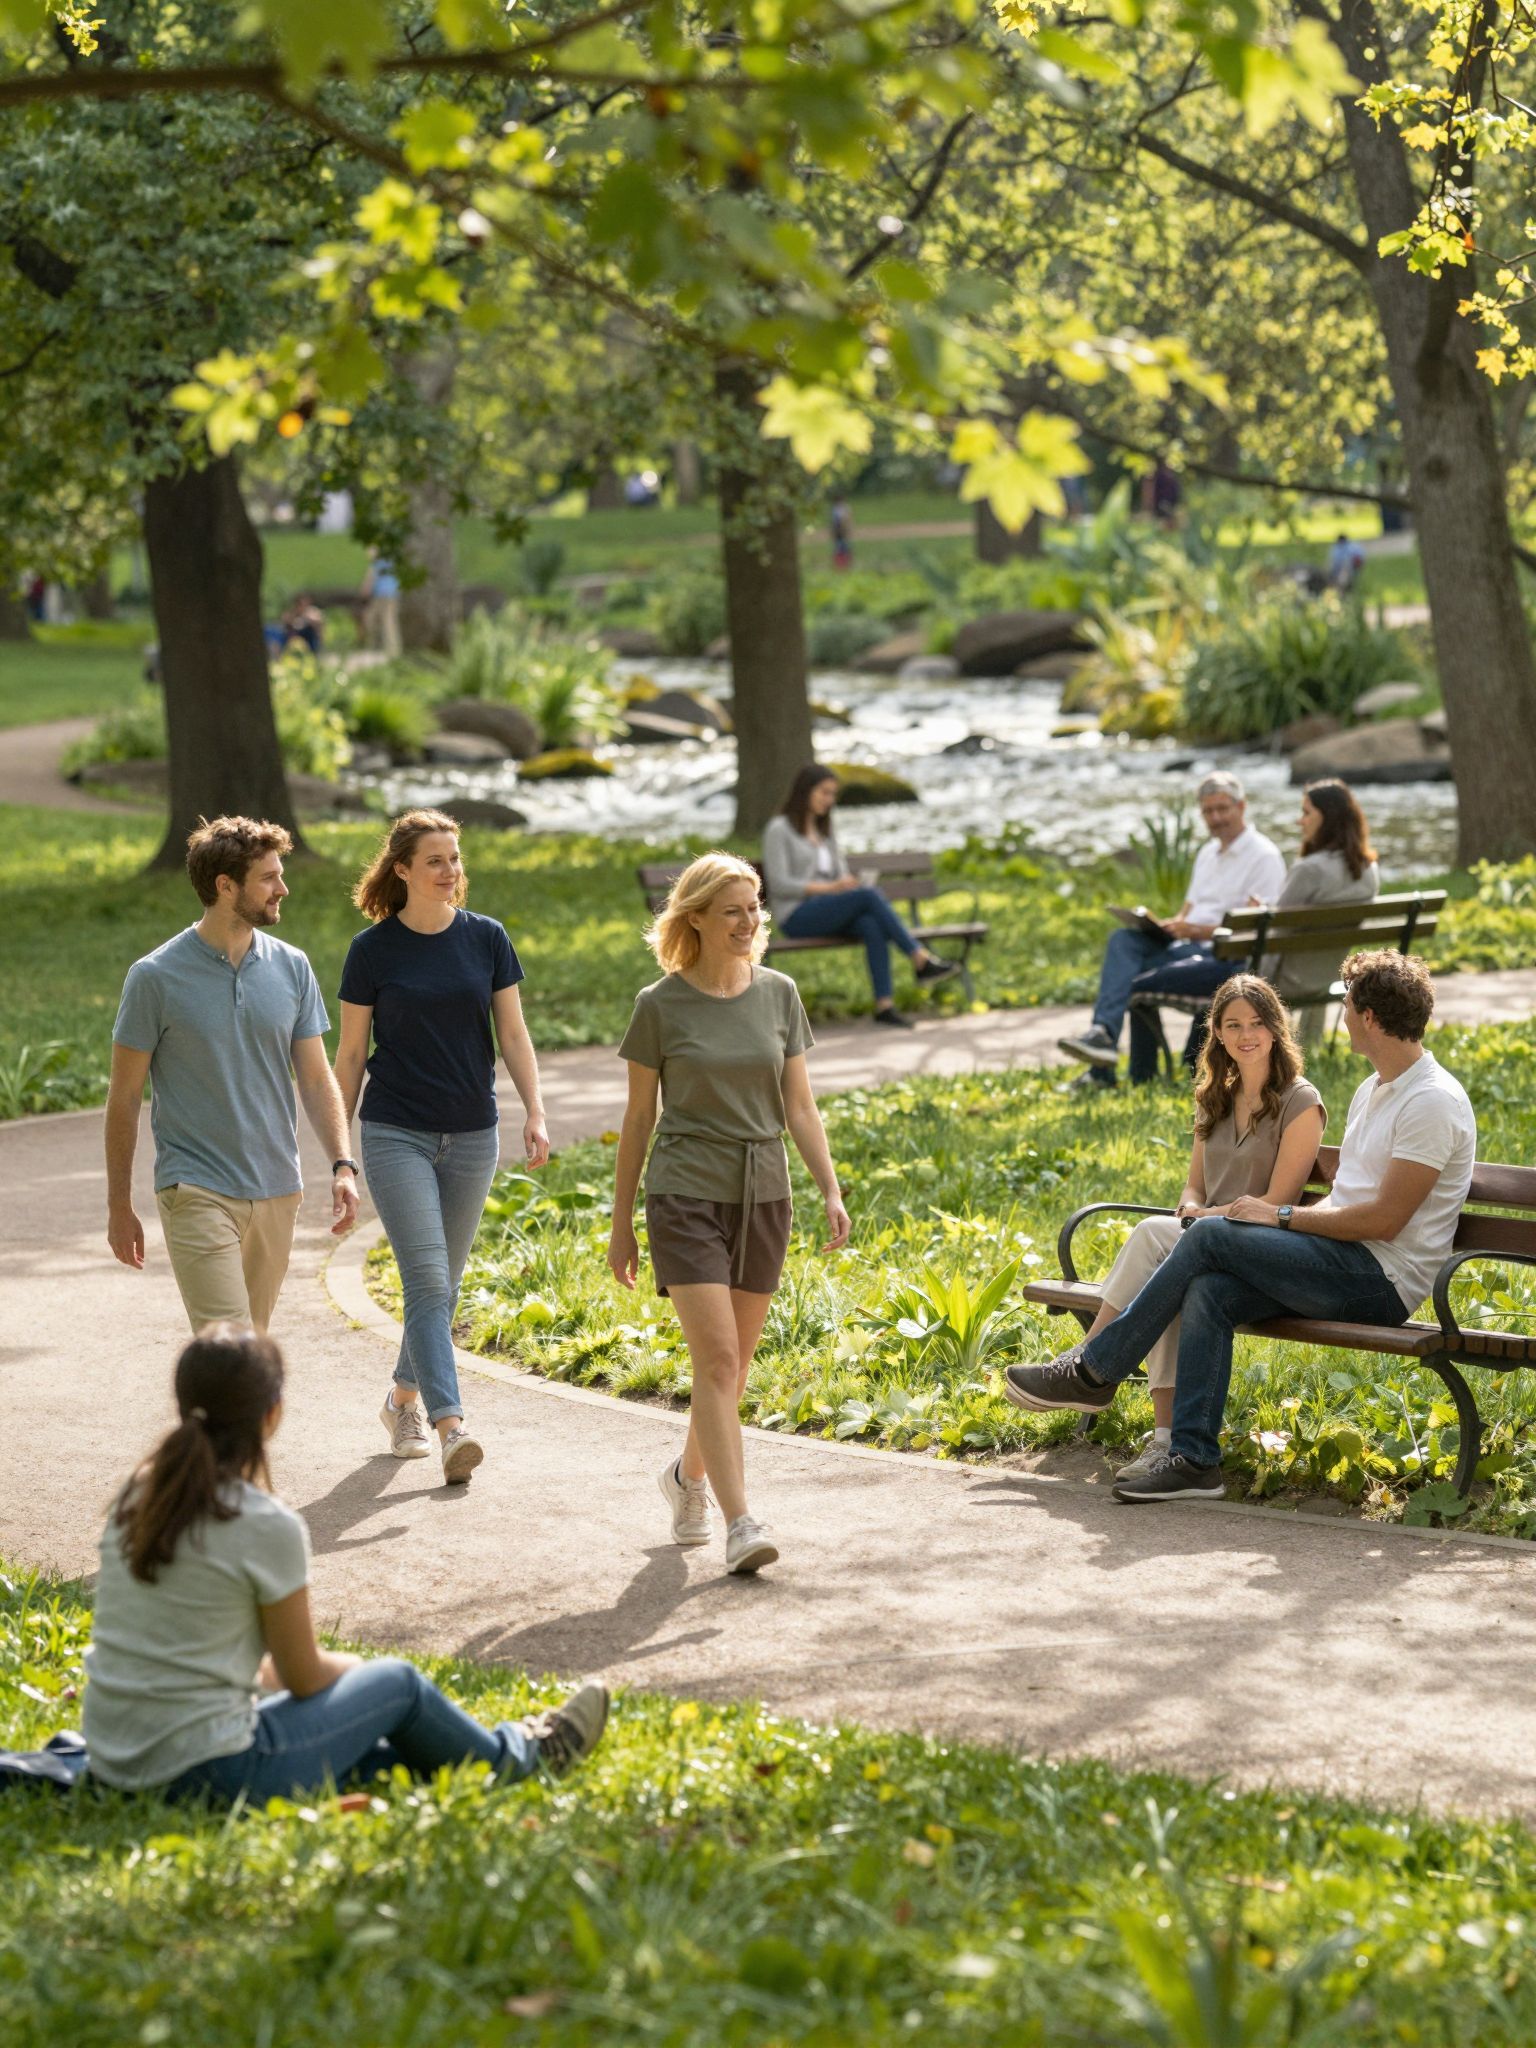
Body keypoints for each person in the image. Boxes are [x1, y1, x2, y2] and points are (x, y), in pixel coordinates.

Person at [1008, 951, 1476, 1504]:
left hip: (1382, 1280)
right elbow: (1349, 1200)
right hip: (1340, 1257)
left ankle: (1095, 1370)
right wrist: (1287, 1227)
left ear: (1370, 1016)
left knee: (1208, 1236)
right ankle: (1194, 1460)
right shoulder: (1376, 1088)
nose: (1343, 1014)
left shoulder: (1430, 1102)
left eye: (1348, 1004)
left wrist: (1278, 1217)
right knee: (1210, 1289)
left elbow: (1385, 1221)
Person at [81, 1326, 607, 1800]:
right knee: (398, 1684)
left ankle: (468, 1754)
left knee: (380, 1753)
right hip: (212, 1775)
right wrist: (360, 1676)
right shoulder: (266, 1524)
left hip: (114, 1760)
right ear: (272, 1414)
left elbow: (207, 1654)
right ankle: (522, 1755)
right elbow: (304, 1677)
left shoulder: (140, 1494)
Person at [608, 852, 852, 1575]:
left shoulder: (779, 993)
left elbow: (800, 1107)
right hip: (684, 1191)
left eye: (755, 909)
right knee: (715, 1359)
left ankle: (686, 1480)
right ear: (697, 920)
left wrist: (830, 1188)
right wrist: (621, 1221)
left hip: (764, 1191)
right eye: (733, 911)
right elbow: (636, 1119)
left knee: (733, 1369)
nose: (749, 922)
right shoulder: (659, 1005)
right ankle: (740, 1521)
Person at [334, 811, 549, 1485]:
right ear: (402, 869)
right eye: (435, 860)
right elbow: (349, 1055)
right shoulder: (371, 951)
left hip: (473, 1134)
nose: (451, 870)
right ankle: (451, 1423)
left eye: (455, 858)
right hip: (395, 1129)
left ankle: (401, 1399)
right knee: (427, 1280)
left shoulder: (486, 939)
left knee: (441, 1286)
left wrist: (534, 1111)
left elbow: (512, 1035)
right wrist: (338, 1148)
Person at [1057, 976, 1327, 1483]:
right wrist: (1189, 1210)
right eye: (1233, 1025)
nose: (1246, 1035)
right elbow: (1193, 1187)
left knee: (1151, 1241)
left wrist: (1203, 1220)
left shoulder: (1300, 1102)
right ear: (1218, 1035)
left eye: (1257, 1024)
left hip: (1265, 1249)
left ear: (1275, 1029)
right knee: (1173, 1264)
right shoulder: (1213, 1097)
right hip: (1206, 1238)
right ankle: (1165, 1442)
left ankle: (1085, 1366)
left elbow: (1279, 1204)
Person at [105, 817, 359, 1334]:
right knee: (233, 1346)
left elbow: (314, 1078)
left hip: (276, 1188)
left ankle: (208, 1417)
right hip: (196, 1188)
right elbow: (125, 1096)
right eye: (268, 877)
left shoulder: (292, 967)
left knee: (248, 1351)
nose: (282, 888)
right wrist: (119, 1205)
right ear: (225, 886)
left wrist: (342, 1163)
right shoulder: (154, 978)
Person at [1057, 772, 1285, 1086]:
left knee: (1132, 980)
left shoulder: (1263, 857)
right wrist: (1166, 926)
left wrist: (1195, 930)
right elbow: (1188, 909)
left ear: (1241, 807)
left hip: (1222, 959)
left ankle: (1132, 1075)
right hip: (1187, 946)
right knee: (1124, 940)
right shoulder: (1207, 853)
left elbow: (1251, 931)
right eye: (1208, 811)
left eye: (1222, 809)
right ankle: (1103, 1035)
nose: (1215, 818)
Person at [762, 764, 961, 1030]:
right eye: (824, 793)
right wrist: (831, 889)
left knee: (871, 923)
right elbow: (780, 883)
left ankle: (884, 1006)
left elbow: (840, 872)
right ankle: (918, 957)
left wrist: (846, 885)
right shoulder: (780, 829)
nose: (829, 800)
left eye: (833, 794)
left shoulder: (826, 831)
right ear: (805, 791)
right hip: (797, 914)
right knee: (868, 896)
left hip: (832, 908)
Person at [1263, 780, 1380, 1005]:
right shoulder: (1369, 869)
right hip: (1328, 976)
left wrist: (1257, 982)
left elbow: (1277, 931)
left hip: (1283, 980)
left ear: (1328, 817)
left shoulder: (1309, 870)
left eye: (1306, 813)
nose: (1300, 821)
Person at [360, 550, 401, 656]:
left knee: (382, 621)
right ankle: (384, 647)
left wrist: (364, 592)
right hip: (392, 594)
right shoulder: (391, 561)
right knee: (384, 620)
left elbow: (369, 580)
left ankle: (390, 649)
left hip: (383, 595)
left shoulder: (377, 563)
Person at [830, 497, 853, 569]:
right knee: (841, 547)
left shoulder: (840, 509)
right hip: (840, 532)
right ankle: (841, 564)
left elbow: (845, 521)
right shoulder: (839, 510)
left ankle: (843, 564)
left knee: (842, 547)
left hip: (841, 531)